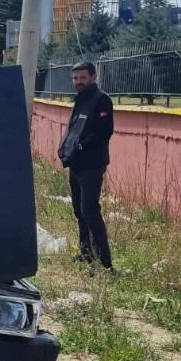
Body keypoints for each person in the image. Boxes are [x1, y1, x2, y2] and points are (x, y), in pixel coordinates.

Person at [57, 61, 115, 270]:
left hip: (92, 165)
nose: (78, 82)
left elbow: (104, 132)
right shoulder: (80, 99)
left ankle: (103, 262)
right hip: (76, 164)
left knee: (89, 210)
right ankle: (86, 253)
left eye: (82, 77)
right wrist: (66, 150)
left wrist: (81, 147)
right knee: (78, 211)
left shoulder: (101, 100)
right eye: (75, 78)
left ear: (92, 77)